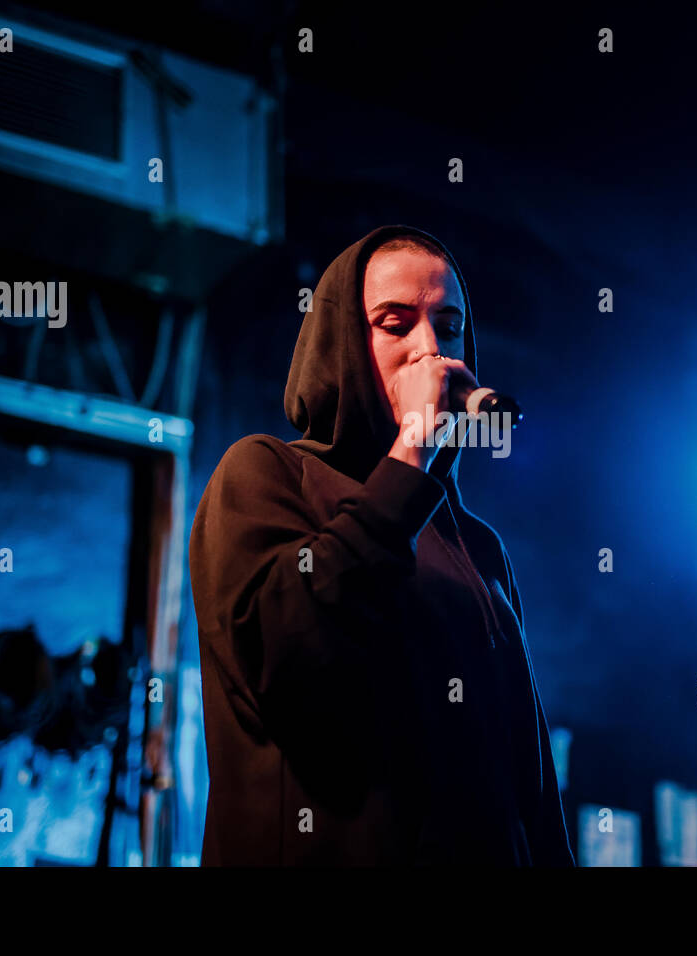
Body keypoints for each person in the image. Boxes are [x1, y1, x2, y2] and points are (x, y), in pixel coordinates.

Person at [189, 224, 574, 866]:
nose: (432, 353)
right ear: (342, 342)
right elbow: (285, 653)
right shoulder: (267, 475)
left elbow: (526, 770)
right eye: (396, 324)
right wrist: (410, 455)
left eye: (449, 328)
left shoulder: (477, 543)